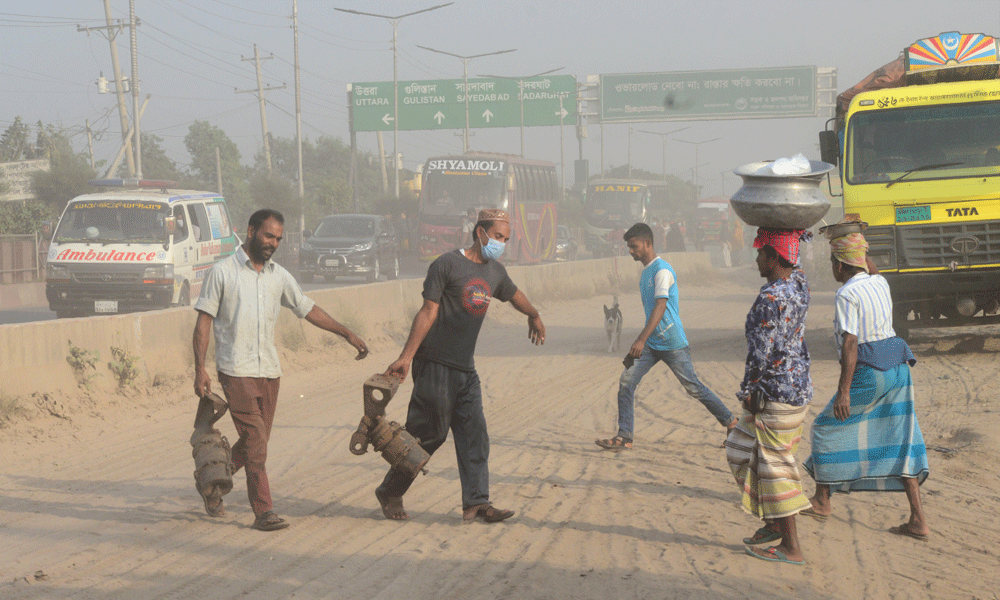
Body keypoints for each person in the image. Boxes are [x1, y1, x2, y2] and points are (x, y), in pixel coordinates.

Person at [192, 208, 369, 532]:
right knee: (257, 440)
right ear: (250, 231)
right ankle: (263, 511)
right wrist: (200, 369)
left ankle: (213, 479)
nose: (273, 242)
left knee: (254, 444)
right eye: (268, 235)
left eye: (278, 238)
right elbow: (204, 320)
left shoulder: (279, 276)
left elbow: (307, 308)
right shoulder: (222, 273)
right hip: (236, 370)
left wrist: (346, 332)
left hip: (269, 372)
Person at [376, 208, 545, 523]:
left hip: (465, 368)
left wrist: (533, 314)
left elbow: (513, 294)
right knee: (430, 434)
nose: (501, 244)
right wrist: (406, 356)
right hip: (434, 363)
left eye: (506, 239)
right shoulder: (446, 264)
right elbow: (428, 311)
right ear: (480, 233)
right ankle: (390, 491)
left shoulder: (494, 272)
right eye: (497, 236)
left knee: (474, 434)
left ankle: (477, 503)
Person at [802, 221, 930, 541]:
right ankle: (918, 519)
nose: (831, 268)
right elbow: (869, 266)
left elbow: (850, 343)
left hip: (870, 370)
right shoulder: (879, 282)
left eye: (833, 261)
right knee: (903, 439)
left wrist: (844, 390)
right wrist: (858, 239)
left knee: (825, 427)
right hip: (899, 368)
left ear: (841, 264)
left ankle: (822, 499)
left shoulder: (847, 293)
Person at [595, 223, 736, 450]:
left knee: (694, 388)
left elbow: (660, 307)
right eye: (629, 247)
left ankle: (732, 423)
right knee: (626, 382)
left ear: (648, 244)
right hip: (652, 343)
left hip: (672, 343)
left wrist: (640, 339)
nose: (631, 251)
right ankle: (624, 436)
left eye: (634, 246)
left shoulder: (662, 271)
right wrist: (644, 341)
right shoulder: (646, 272)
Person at [726, 228, 813, 566]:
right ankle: (774, 521)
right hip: (797, 388)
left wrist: (747, 392)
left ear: (775, 258)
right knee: (738, 448)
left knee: (776, 467)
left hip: (775, 392)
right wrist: (789, 229)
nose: (757, 258)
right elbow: (798, 263)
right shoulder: (799, 284)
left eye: (761, 251)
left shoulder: (770, 298)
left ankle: (791, 547)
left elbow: (759, 355)